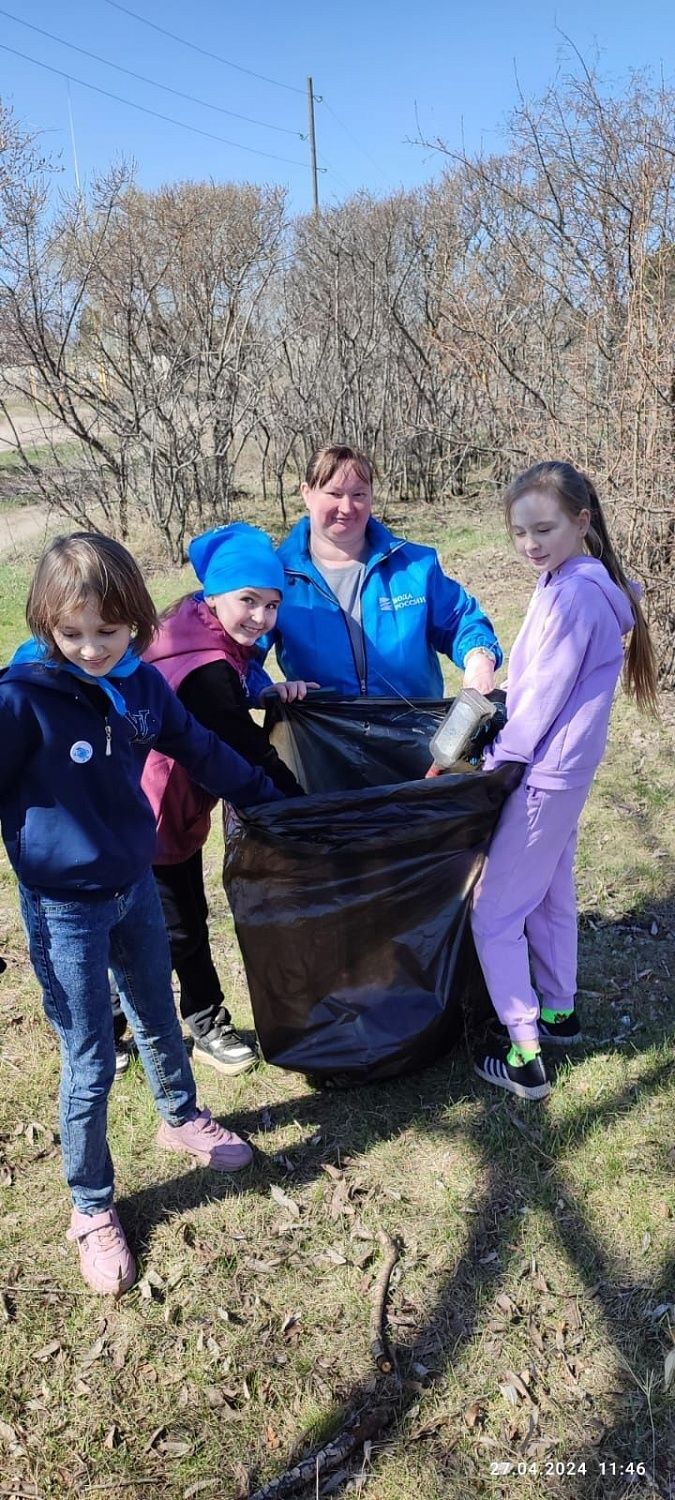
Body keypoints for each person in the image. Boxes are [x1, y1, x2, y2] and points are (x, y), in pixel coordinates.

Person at [0, 533, 285, 1295]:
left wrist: (271, 800)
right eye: (73, 634)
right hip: (65, 909)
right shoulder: (21, 698)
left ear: (137, 623)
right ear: (45, 625)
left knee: (159, 1013)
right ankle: (91, 1206)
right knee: (90, 1056)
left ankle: (181, 1114)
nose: (92, 649)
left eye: (110, 631)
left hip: (135, 883)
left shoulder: (142, 686)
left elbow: (199, 749)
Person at [470, 461, 658, 1102]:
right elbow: (538, 678)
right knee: (550, 889)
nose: (530, 545)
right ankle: (559, 1011)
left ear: (581, 521)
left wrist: (494, 760)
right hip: (565, 768)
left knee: (493, 912)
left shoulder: (576, 594)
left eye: (544, 529)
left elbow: (544, 694)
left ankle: (525, 1054)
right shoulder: (571, 579)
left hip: (544, 771)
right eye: (520, 533)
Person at [118, 522, 311, 1077]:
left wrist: (262, 689)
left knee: (140, 919)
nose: (261, 617)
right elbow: (244, 748)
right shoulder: (201, 664)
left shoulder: (192, 628)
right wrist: (302, 810)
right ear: (215, 594)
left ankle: (116, 1022)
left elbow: (235, 674)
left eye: (272, 605)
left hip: (154, 806)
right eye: (248, 600)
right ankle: (202, 1021)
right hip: (153, 812)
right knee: (178, 922)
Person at [266, 445, 502, 702]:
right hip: (319, 734)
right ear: (307, 493)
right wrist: (264, 687)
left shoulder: (415, 565)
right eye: (334, 494)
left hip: (415, 731)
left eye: (359, 494)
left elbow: (460, 621)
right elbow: (241, 650)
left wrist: (479, 658)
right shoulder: (275, 575)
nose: (346, 507)